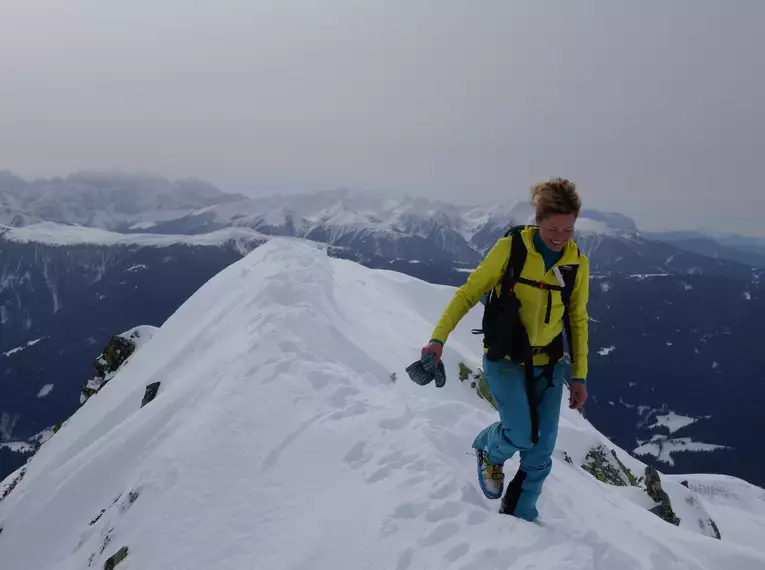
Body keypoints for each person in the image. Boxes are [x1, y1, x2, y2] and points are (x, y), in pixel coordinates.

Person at [420, 177, 590, 522]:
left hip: (550, 365)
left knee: (541, 451)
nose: (559, 238)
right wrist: (438, 338)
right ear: (537, 220)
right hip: (506, 359)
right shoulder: (511, 249)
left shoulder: (576, 264)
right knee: (520, 433)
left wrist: (580, 376)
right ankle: (488, 448)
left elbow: (577, 321)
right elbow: (468, 293)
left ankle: (520, 518)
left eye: (568, 230)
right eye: (552, 229)